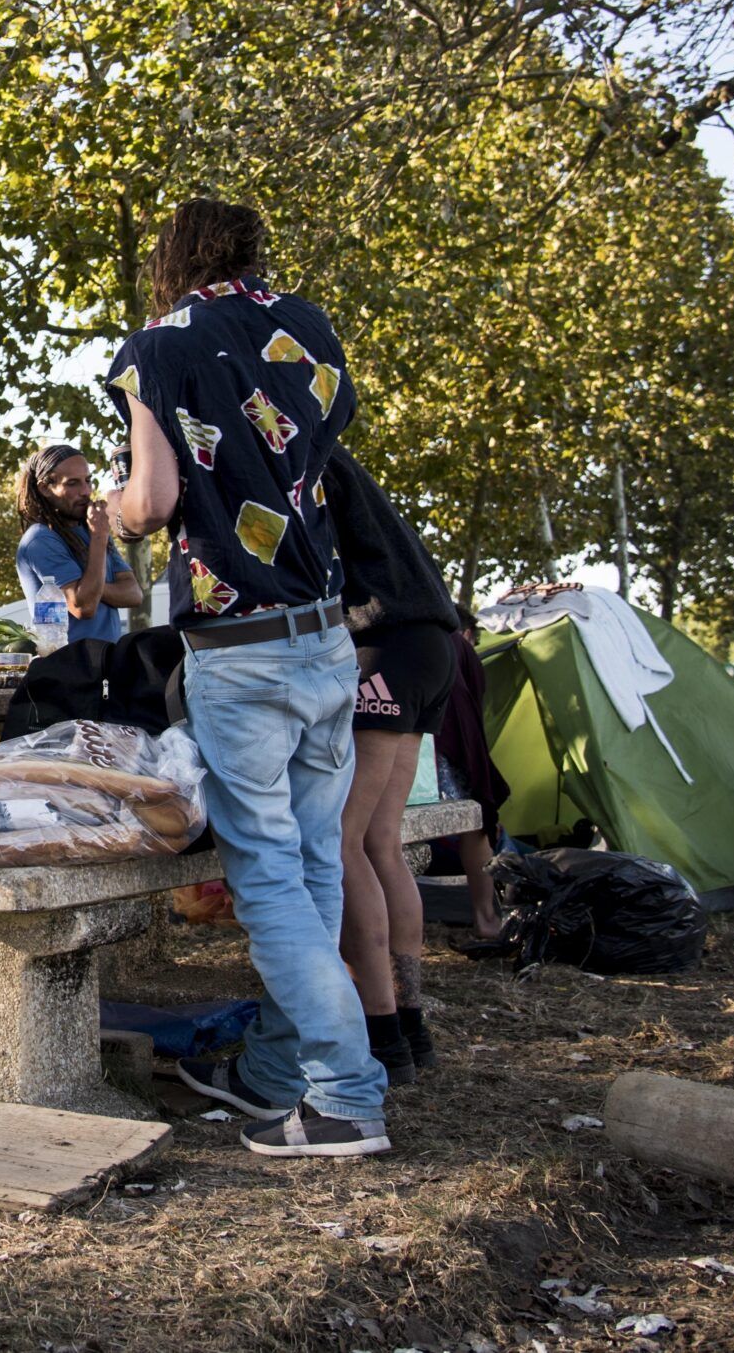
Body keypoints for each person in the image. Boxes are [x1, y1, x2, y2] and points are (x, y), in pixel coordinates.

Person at [107, 195, 387, 1158]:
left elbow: (154, 499)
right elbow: (317, 449)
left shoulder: (158, 344)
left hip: (240, 642)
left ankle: (348, 1094)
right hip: (325, 634)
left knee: (268, 877)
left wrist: (115, 509)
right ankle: (287, 1074)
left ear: (170, 257)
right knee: (316, 865)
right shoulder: (307, 325)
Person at [323, 446, 459, 1086]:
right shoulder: (334, 455)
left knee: (341, 840)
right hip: (435, 645)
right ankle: (412, 1026)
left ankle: (380, 1029)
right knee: (382, 841)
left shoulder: (295, 461)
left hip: (383, 644)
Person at [13, 444, 145, 644]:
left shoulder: (91, 529)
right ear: (45, 488)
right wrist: (99, 537)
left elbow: (134, 594)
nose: (85, 491)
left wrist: (90, 586)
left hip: (107, 663)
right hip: (70, 667)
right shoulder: (40, 540)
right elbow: (84, 606)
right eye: (72, 483)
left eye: (88, 480)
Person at [434, 615, 512, 946]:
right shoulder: (457, 645)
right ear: (467, 632)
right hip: (452, 751)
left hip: (402, 743)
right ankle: (487, 919)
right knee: (476, 824)